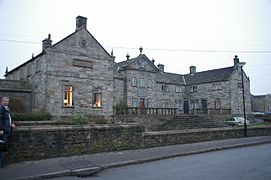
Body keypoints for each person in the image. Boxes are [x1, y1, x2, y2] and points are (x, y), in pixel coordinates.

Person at [0, 97, 16, 167]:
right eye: (5, 101)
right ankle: (1, 162)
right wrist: (0, 129)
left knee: (3, 146)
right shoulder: (0, 108)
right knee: (1, 147)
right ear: (1, 101)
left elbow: (10, 117)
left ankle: (2, 161)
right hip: (3, 131)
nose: (6, 102)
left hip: (7, 130)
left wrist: (12, 123)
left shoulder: (7, 108)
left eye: (7, 101)